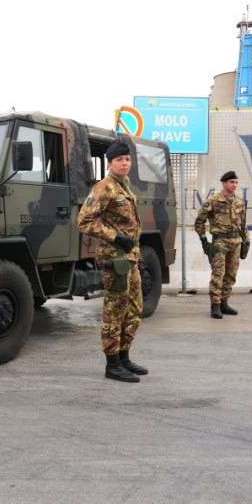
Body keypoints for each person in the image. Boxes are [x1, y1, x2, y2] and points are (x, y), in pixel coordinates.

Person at [77, 141, 148, 383]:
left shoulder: (124, 186)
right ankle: (112, 365)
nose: (124, 163)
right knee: (115, 311)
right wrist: (114, 236)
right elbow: (84, 221)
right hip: (114, 258)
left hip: (130, 258)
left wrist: (137, 254)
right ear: (110, 163)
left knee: (134, 309)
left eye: (127, 159)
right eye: (119, 160)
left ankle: (124, 357)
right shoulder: (104, 188)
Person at [194, 170, 251, 319]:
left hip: (236, 242)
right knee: (218, 274)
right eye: (232, 182)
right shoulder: (213, 201)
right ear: (224, 183)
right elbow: (199, 221)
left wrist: (247, 240)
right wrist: (204, 241)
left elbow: (243, 224)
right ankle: (215, 305)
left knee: (231, 274)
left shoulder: (239, 202)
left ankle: (224, 302)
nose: (234, 185)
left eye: (236, 182)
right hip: (220, 242)